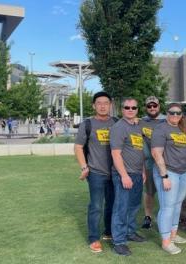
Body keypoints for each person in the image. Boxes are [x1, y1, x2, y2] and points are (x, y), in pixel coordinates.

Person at [74, 91, 117, 253]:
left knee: (112, 204)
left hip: (114, 173)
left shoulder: (117, 122)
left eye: (106, 103)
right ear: (94, 106)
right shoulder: (87, 124)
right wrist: (84, 167)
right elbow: (78, 147)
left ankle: (109, 232)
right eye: (99, 103)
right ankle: (93, 238)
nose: (103, 106)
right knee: (96, 206)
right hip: (96, 172)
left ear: (110, 105)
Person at [110, 98, 147, 256]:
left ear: (137, 110)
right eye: (127, 107)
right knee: (121, 208)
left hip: (138, 173)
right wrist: (124, 175)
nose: (130, 110)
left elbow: (139, 150)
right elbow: (116, 153)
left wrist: (143, 170)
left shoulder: (138, 126)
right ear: (122, 109)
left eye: (133, 107)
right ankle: (118, 241)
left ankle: (130, 232)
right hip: (124, 175)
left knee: (133, 206)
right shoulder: (119, 127)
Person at [151, 102, 186, 255]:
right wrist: (164, 175)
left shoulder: (183, 129)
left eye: (178, 113)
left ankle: (173, 235)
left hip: (182, 173)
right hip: (168, 172)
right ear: (167, 113)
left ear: (181, 115)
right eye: (172, 112)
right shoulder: (161, 129)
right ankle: (166, 241)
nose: (175, 115)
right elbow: (156, 153)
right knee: (167, 207)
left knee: (177, 204)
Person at [140, 96, 166, 230]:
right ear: (146, 108)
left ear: (159, 106)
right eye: (149, 106)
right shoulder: (141, 122)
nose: (152, 108)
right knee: (149, 191)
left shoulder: (166, 120)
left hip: (164, 163)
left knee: (166, 191)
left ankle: (166, 216)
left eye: (154, 106)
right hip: (149, 163)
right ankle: (148, 216)